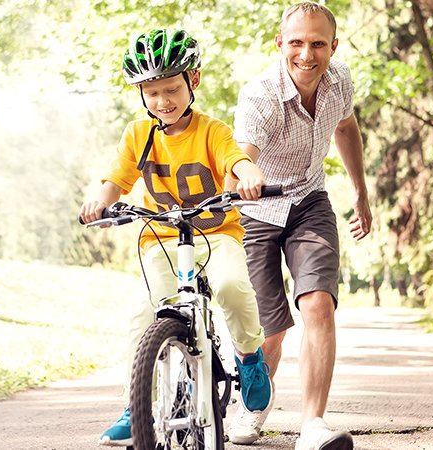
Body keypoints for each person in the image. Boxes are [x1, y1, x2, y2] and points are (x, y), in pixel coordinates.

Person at [78, 28, 272, 446]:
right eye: (151, 93)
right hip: (162, 241)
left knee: (231, 286)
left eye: (171, 89)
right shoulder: (137, 135)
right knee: (142, 316)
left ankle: (251, 358)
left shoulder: (211, 130)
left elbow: (234, 159)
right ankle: (138, 405)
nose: (162, 101)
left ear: (193, 82)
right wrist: (100, 200)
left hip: (214, 233)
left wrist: (248, 174)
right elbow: (116, 179)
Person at [227, 3, 372, 450]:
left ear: (333, 45)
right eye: (296, 42)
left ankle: (312, 424)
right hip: (256, 212)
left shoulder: (339, 81)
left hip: (309, 202)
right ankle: (253, 409)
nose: (306, 54)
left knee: (318, 305)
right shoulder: (261, 96)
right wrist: (245, 173)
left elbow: (346, 129)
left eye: (317, 44)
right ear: (279, 43)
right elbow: (241, 156)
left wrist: (360, 191)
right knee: (269, 330)